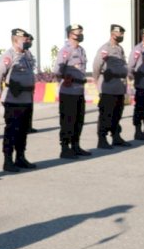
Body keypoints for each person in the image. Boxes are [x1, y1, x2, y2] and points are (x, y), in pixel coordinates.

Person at [0, 29, 37, 172]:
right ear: (15, 39)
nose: (26, 41)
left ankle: (20, 157)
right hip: (13, 100)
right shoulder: (9, 55)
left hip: (26, 99)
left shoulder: (27, 55)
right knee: (12, 131)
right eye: (23, 38)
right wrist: (0, 94)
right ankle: (8, 160)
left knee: (23, 131)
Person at [53, 24, 92, 158]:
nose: (80, 34)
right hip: (68, 92)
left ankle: (76, 145)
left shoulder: (81, 50)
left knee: (78, 120)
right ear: (70, 34)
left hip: (79, 90)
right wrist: (64, 78)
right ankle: (65, 148)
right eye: (78, 32)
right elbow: (57, 71)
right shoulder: (65, 51)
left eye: (81, 31)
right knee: (67, 121)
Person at [92, 24, 131, 149]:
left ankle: (116, 137)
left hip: (119, 87)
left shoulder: (120, 49)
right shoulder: (105, 48)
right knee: (106, 114)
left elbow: (123, 65)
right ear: (113, 33)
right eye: (120, 34)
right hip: (108, 86)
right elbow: (97, 66)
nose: (122, 36)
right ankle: (102, 139)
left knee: (117, 113)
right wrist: (98, 80)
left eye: (123, 34)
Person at [25, 33, 38, 134]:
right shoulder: (20, 53)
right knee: (24, 107)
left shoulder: (28, 53)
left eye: (31, 41)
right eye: (29, 40)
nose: (30, 43)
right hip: (22, 85)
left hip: (30, 82)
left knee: (30, 106)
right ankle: (24, 127)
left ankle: (29, 126)